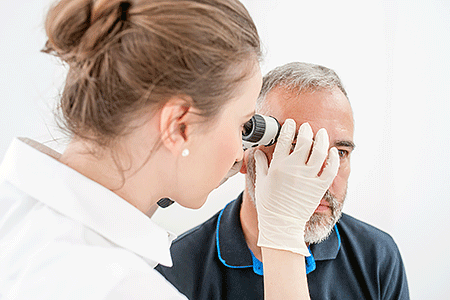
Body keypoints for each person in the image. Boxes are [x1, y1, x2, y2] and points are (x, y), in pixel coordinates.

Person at [0, 0, 339, 298]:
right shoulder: (125, 289)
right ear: (179, 126)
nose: (241, 154)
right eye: (242, 126)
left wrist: (167, 179)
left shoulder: (16, 209)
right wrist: (282, 235)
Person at [156, 62, 410, 299]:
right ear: (247, 151)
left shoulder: (376, 257)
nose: (323, 176)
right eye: (299, 149)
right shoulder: (179, 264)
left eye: (340, 153)